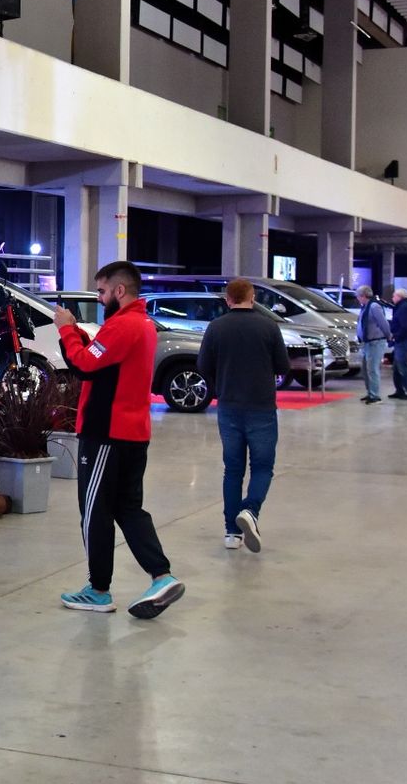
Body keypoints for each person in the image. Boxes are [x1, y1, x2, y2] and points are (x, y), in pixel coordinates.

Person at [52, 261, 183, 620]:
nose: (100, 297)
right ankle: (161, 576)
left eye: (102, 291)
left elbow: (82, 364)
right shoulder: (140, 324)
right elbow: (100, 358)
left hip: (106, 435)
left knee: (95, 510)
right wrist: (76, 331)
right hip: (131, 433)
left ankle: (98, 590)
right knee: (128, 508)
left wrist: (65, 330)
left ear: (119, 291)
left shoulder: (123, 326)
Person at [197, 278, 290, 554]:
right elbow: (283, 366)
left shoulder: (216, 327)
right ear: (253, 298)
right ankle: (250, 509)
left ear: (228, 300)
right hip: (261, 407)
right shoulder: (268, 326)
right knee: (262, 467)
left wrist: (220, 383)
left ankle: (231, 533)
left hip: (229, 407)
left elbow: (202, 365)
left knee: (233, 470)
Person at [355, 285, 391, 404]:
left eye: (358, 296)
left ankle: (375, 395)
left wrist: (388, 336)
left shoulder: (374, 306)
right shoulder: (365, 307)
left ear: (363, 296)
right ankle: (370, 392)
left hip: (375, 342)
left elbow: (383, 323)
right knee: (366, 369)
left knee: (372, 369)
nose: (357, 299)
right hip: (366, 343)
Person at [388, 288, 407, 400]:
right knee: (397, 367)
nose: (392, 298)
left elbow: (404, 326)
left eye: (394, 296)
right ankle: (399, 390)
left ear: (399, 296)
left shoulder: (403, 308)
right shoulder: (402, 307)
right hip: (402, 340)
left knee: (402, 366)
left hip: (403, 341)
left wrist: (396, 336)